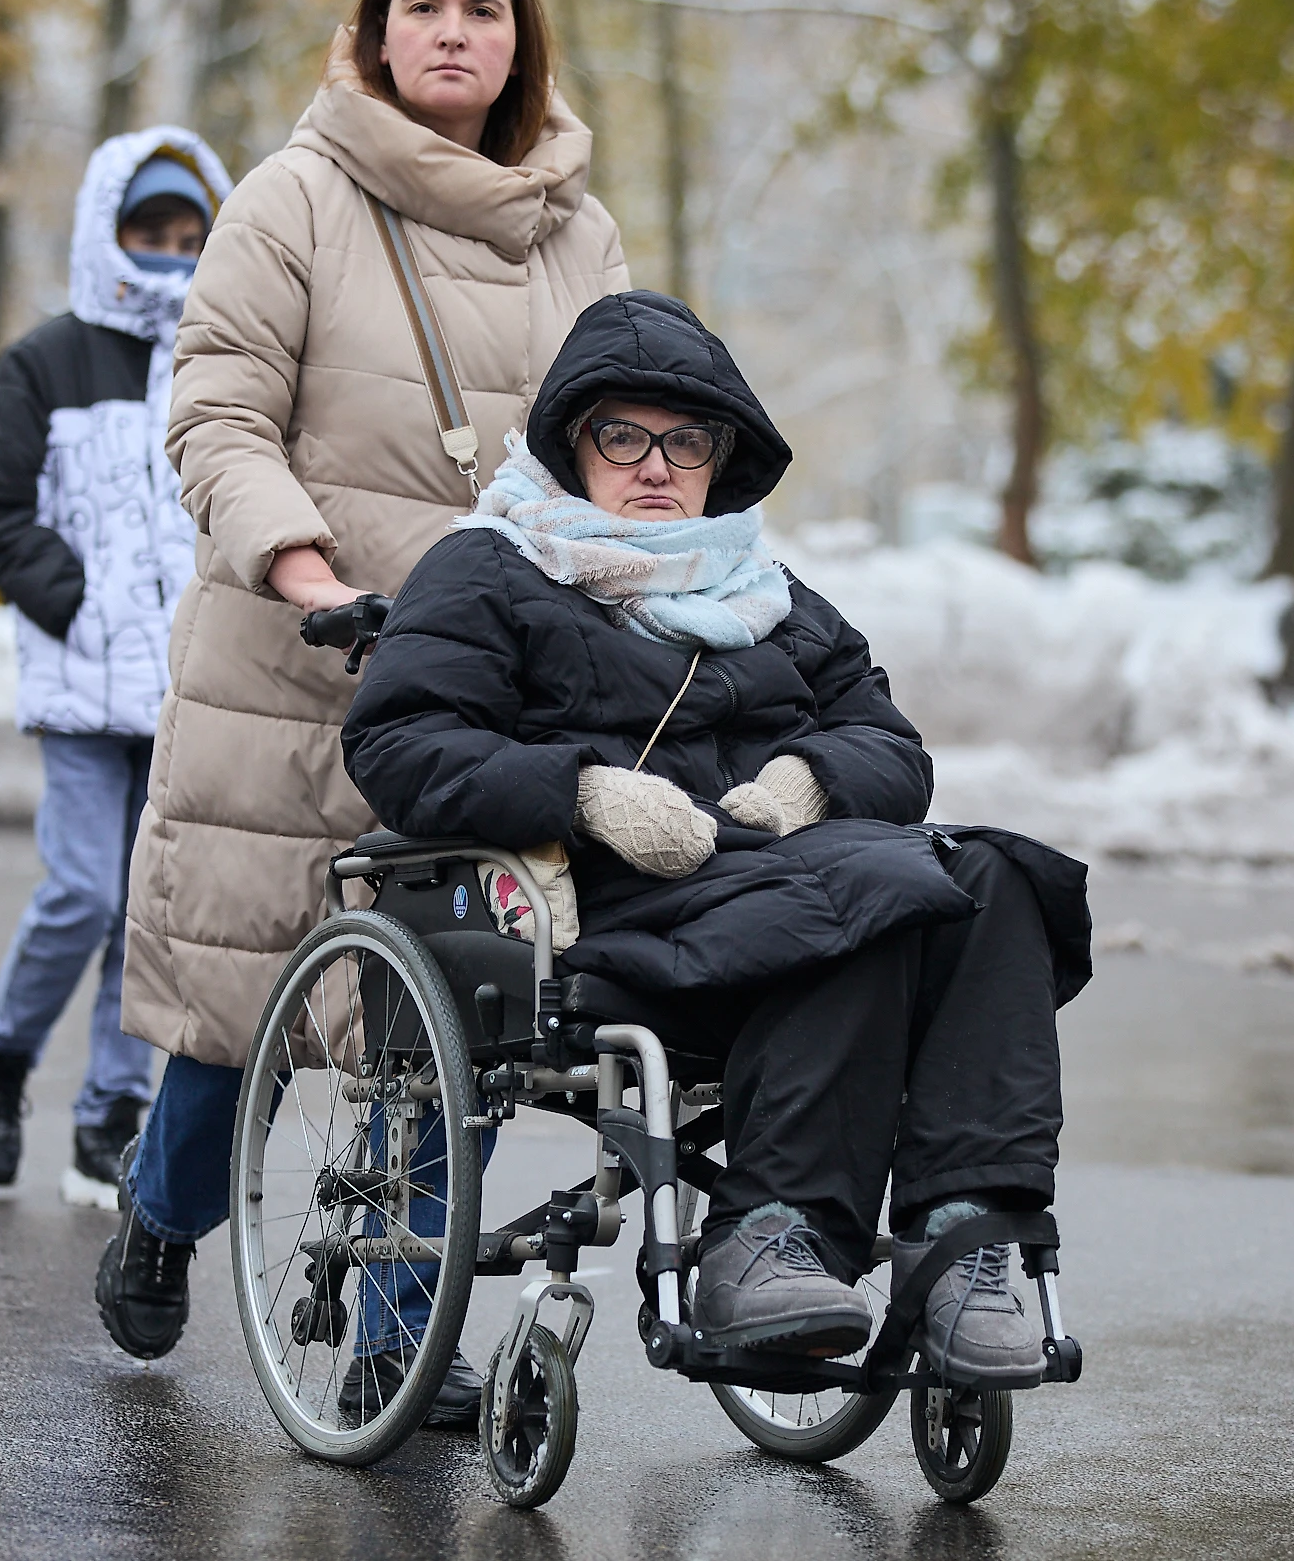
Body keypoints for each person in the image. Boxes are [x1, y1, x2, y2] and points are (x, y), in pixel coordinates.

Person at [341, 291, 1093, 1383]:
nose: (655, 464)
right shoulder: (492, 568)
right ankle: (767, 1231)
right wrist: (583, 791)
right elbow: (400, 744)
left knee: (998, 872)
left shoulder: (770, 595)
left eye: (685, 440)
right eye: (623, 435)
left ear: (720, 458)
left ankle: (963, 1236)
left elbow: (893, 747)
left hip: (779, 864)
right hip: (613, 901)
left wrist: (804, 781)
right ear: (571, 445)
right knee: (869, 899)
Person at [95, 0, 627, 1427]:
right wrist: (310, 568)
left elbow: (618, 444)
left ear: (520, 40)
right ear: (376, 33)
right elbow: (215, 411)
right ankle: (160, 1202)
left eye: (483, 8)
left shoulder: (576, 235)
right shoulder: (293, 200)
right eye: (424, 5)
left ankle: (401, 1332)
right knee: (235, 1013)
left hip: (480, 686)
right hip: (297, 665)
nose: (455, 30)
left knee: (435, 1023)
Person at [0, 127, 233, 1210]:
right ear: (107, 234)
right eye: (146, 232)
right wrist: (76, 600)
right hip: (80, 683)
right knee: (79, 889)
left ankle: (108, 1110)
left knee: (145, 909)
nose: (167, 251)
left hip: (188, 688)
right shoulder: (46, 360)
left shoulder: (226, 354)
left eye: (186, 233)